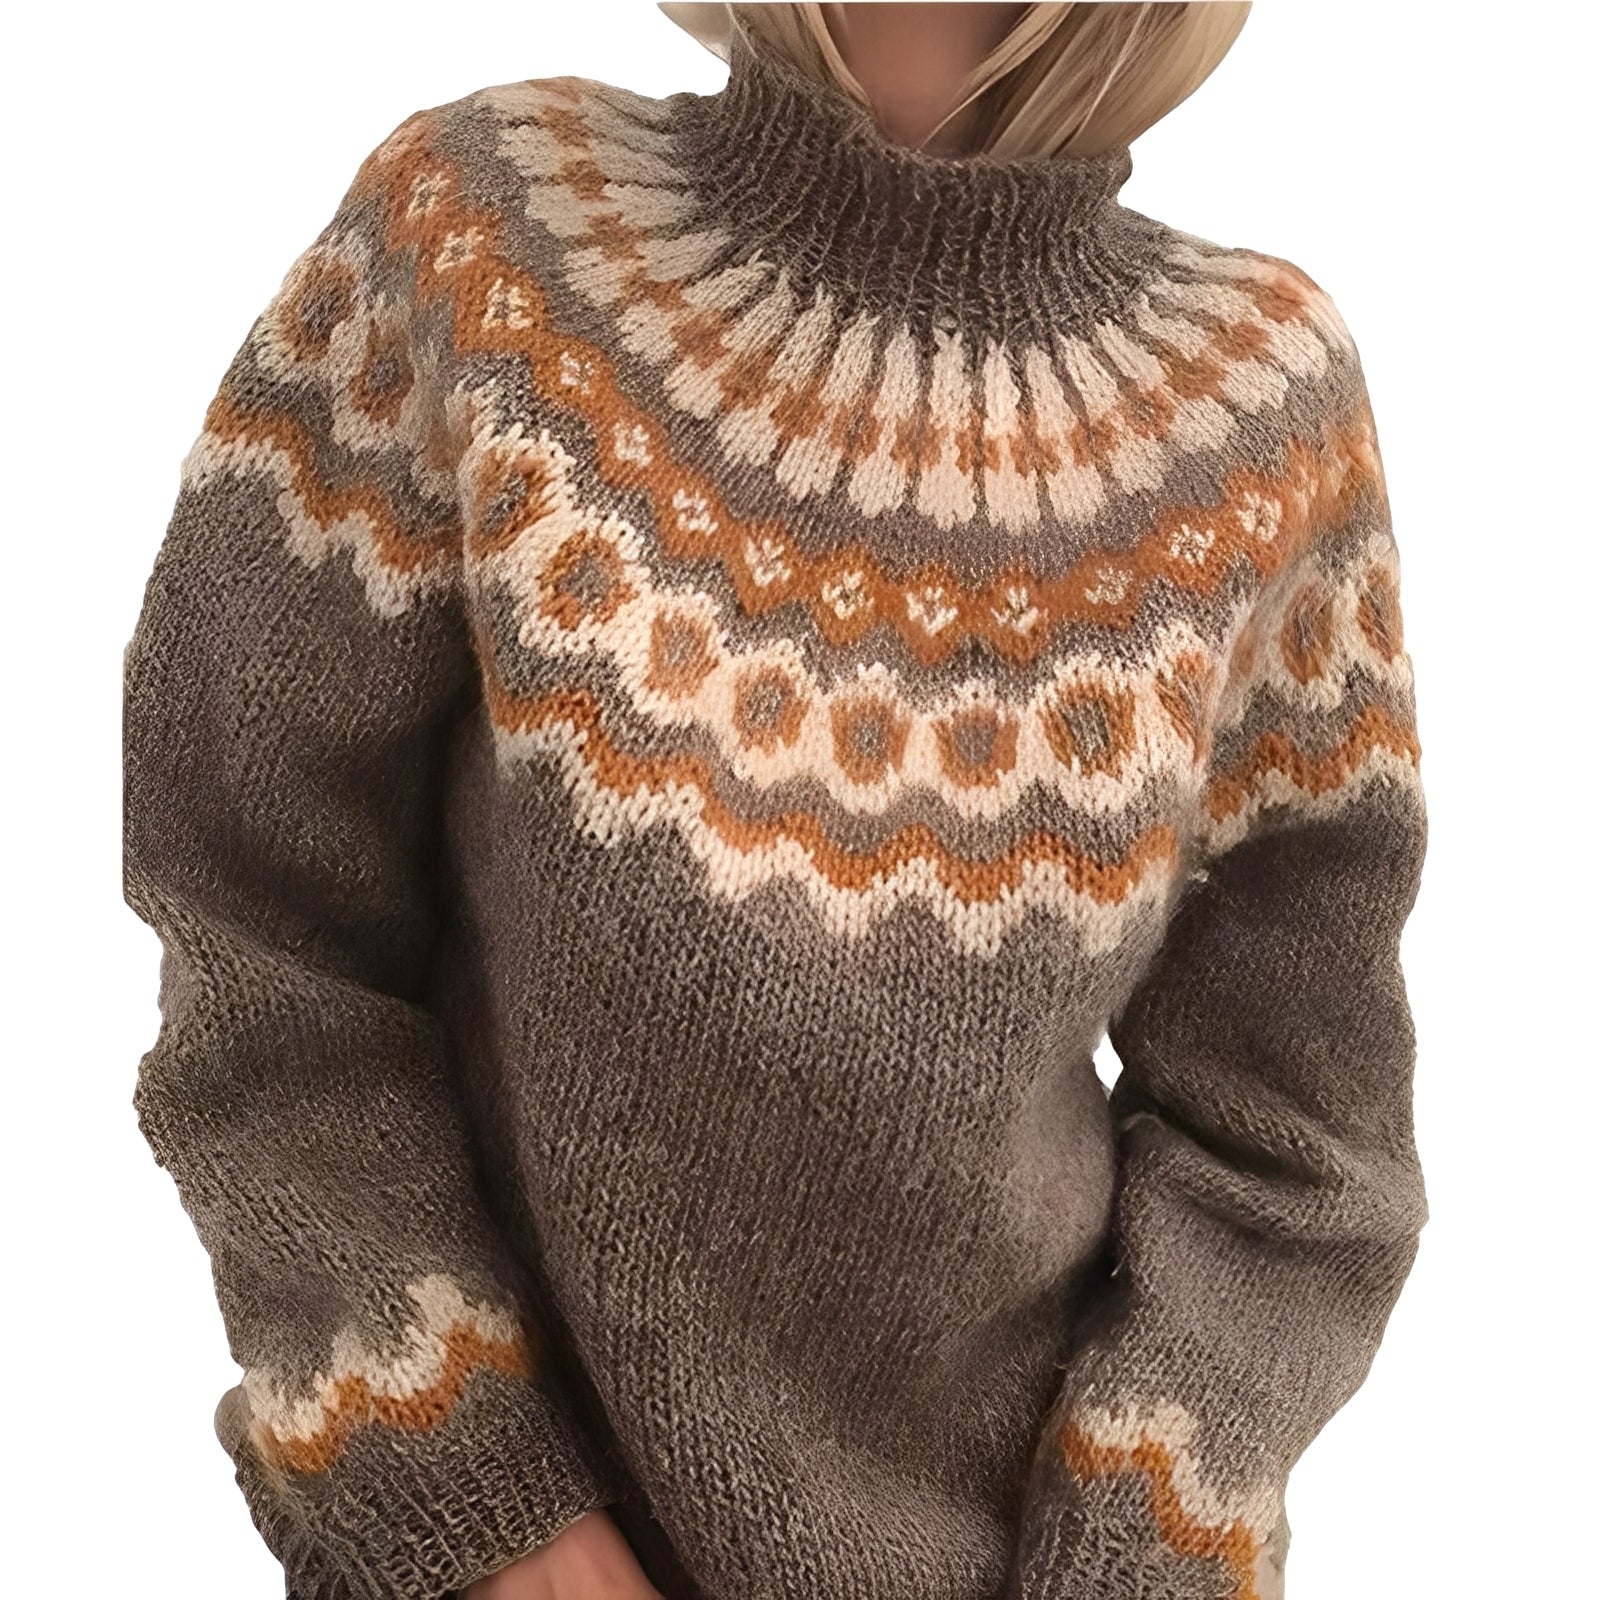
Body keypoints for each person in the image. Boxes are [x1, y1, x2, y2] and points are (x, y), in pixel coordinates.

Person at [120, 3, 1429, 1598]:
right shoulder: (489, 239)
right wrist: (487, 1506)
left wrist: (1130, 1559)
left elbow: (1296, 1144)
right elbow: (260, 937)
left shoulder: (1256, 408)